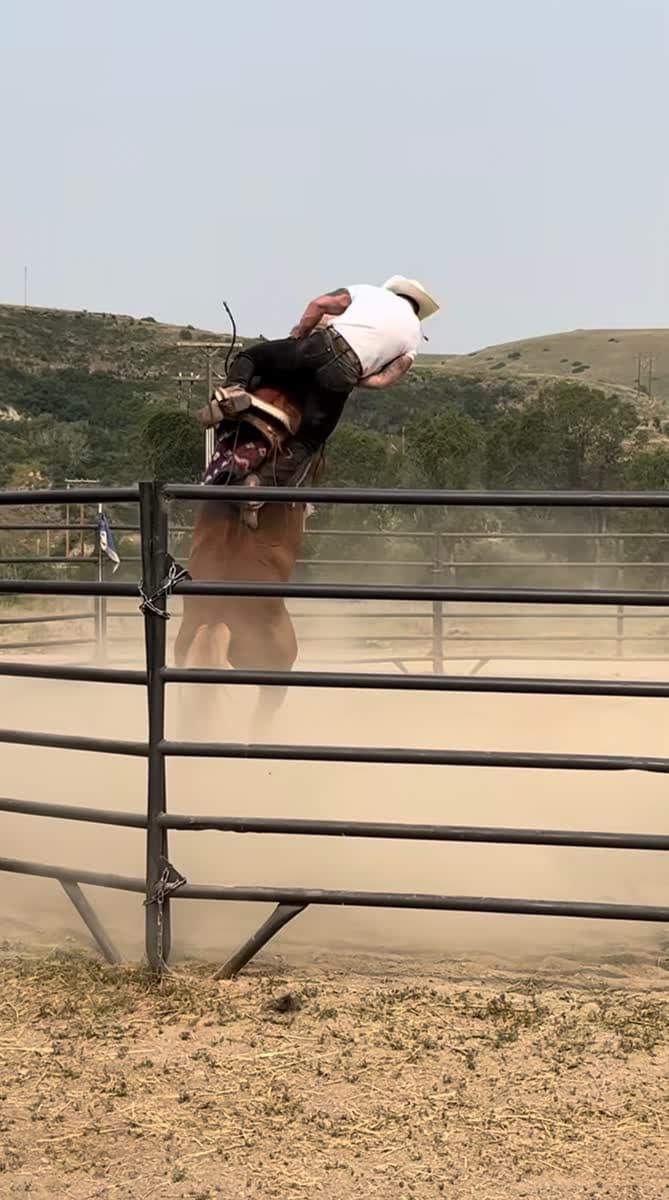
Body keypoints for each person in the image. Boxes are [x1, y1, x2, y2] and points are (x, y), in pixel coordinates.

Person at [198, 276, 440, 521]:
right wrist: (353, 375)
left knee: (251, 357)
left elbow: (319, 305)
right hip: (344, 375)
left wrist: (297, 338)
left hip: (321, 346)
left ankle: (233, 393)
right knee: (309, 440)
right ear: (417, 310)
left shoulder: (367, 293)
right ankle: (257, 486)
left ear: (395, 291)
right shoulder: (413, 337)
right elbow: (384, 380)